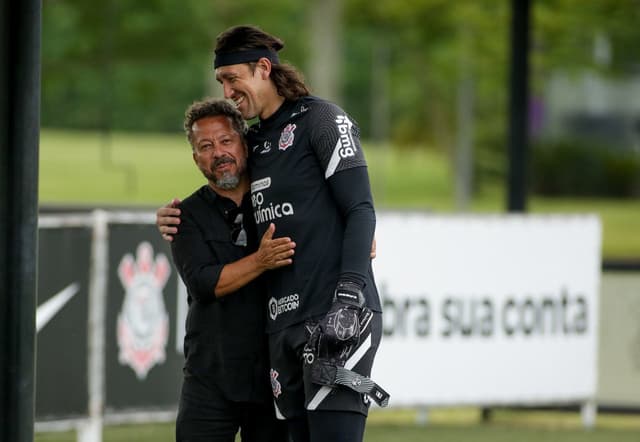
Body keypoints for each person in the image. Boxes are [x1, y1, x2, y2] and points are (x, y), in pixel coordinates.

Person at [158, 25, 388, 442]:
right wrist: (170, 217)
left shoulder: (322, 119)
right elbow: (227, 181)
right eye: (221, 82)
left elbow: (359, 208)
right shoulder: (256, 141)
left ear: (263, 68)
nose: (227, 91)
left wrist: (351, 293)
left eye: (232, 79)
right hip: (282, 330)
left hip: (335, 314)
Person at [170, 97, 294, 442]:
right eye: (205, 146)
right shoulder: (185, 216)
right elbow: (204, 283)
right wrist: (261, 260)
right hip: (210, 378)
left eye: (226, 141)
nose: (218, 153)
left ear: (244, 142)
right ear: (196, 158)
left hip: (274, 376)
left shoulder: (281, 201)